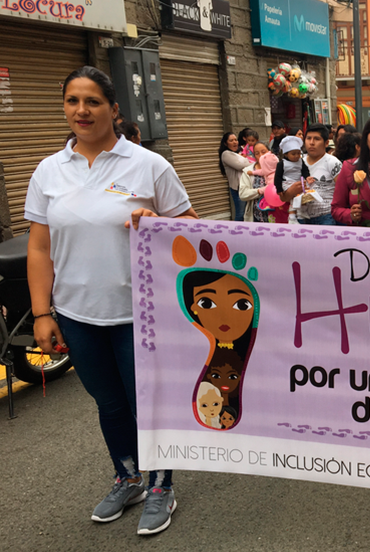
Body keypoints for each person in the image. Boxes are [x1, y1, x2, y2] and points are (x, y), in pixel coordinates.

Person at [25, 65, 198, 535]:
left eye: (93, 101)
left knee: (149, 404)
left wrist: (158, 224)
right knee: (109, 403)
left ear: (114, 109)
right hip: (78, 315)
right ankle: (128, 476)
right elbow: (39, 248)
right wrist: (42, 312)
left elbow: (194, 230)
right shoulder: (48, 171)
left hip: (141, 314)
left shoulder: (148, 165)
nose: (81, 111)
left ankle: (161, 485)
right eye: (72, 101)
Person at [279, 123, 342, 225]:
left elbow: (342, 193)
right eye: (308, 138)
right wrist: (291, 191)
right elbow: (283, 197)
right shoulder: (296, 163)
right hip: (300, 218)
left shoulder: (332, 162)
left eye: (317, 139)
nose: (311, 143)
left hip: (325, 217)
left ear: (326, 143)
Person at [238, 142, 284, 223]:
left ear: (270, 152)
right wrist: (261, 191)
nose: (261, 155)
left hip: (278, 216)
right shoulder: (248, 171)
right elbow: (243, 194)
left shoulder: (279, 168)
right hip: (257, 217)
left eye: (263, 152)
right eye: (257, 153)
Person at [219, 132, 253, 221]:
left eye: (235, 140)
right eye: (231, 140)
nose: (235, 142)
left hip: (246, 186)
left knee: (247, 213)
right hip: (238, 188)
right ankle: (236, 229)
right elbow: (239, 166)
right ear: (225, 143)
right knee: (240, 214)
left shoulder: (239, 152)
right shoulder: (226, 154)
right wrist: (253, 162)